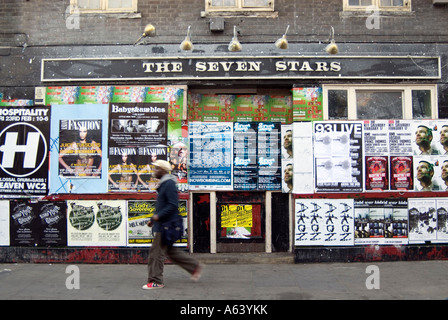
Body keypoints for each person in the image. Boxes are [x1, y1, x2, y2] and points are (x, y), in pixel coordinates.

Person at [142, 160, 204, 290]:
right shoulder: (165, 183)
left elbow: (172, 205)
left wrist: (157, 217)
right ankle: (194, 266)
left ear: (163, 170)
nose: (155, 171)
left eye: (157, 169)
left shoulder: (168, 184)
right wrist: (153, 219)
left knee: (156, 253)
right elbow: (163, 205)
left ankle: (156, 281)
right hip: (163, 224)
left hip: (166, 225)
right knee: (170, 251)